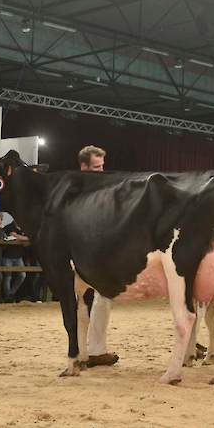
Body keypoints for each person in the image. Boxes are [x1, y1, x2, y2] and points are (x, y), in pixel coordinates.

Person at [78, 145, 119, 367]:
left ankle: (95, 350)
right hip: (80, 251)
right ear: (83, 166)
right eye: (96, 167)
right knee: (81, 302)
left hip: (100, 251)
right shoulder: (74, 189)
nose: (100, 172)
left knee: (103, 298)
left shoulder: (105, 190)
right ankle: (81, 350)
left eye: (102, 166)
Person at [0, 215, 28, 303]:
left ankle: (11, 294)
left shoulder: (24, 228)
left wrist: (17, 236)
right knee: (8, 277)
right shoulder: (8, 227)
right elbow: (6, 238)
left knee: (22, 275)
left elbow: (28, 238)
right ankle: (8, 296)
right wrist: (21, 238)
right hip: (7, 256)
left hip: (18, 256)